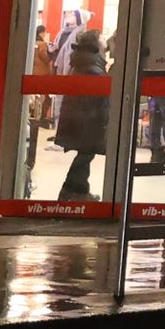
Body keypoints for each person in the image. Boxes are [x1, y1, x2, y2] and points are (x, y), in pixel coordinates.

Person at [53, 23, 113, 201]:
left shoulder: (84, 62)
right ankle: (71, 191)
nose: (105, 41)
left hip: (82, 118)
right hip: (87, 120)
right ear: (94, 44)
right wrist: (102, 118)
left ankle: (78, 190)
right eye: (101, 38)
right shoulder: (92, 67)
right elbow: (97, 96)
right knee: (86, 154)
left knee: (86, 154)